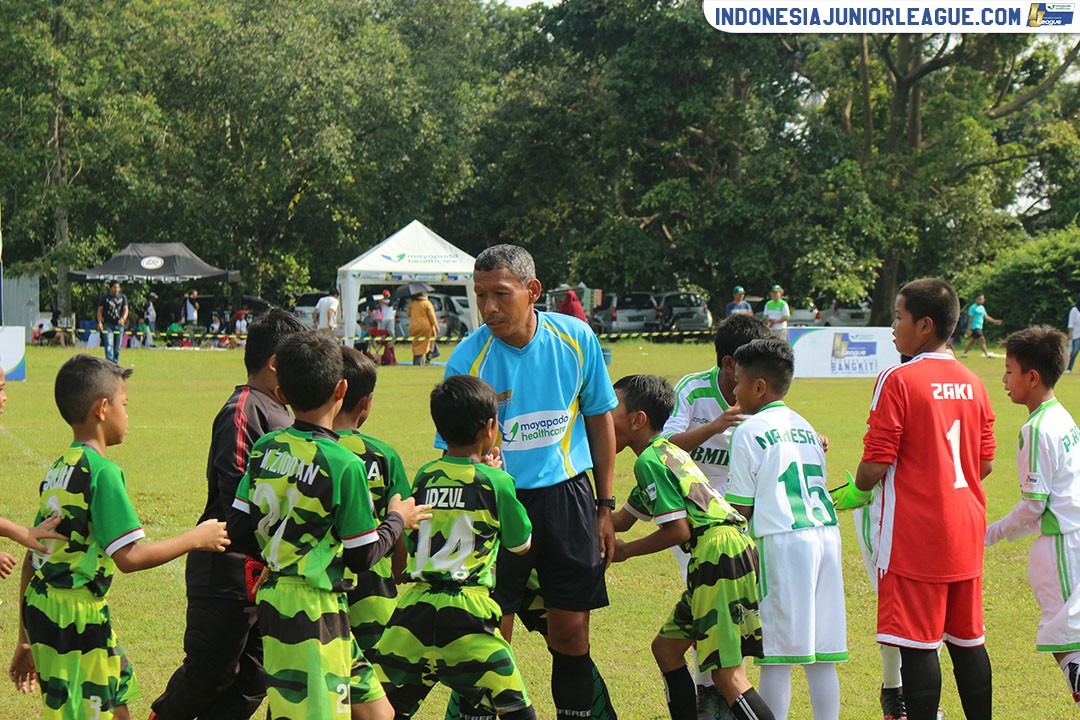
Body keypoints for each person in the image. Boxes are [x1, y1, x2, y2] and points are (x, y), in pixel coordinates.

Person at [440, 244, 619, 719]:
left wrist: (605, 506)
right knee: (489, 636)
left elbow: (600, 419)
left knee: (572, 637)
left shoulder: (576, 338)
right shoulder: (467, 358)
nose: (489, 308)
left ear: (532, 290)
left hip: (567, 500)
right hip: (495, 505)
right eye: (480, 295)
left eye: (501, 294)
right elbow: (452, 451)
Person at [9, 354, 230, 719]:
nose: (128, 415)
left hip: (47, 607)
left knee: (115, 702)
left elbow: (34, 558)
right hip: (74, 616)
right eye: (124, 405)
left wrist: (24, 638)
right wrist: (196, 538)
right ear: (102, 408)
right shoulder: (103, 472)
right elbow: (129, 557)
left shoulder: (60, 468)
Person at [227, 331, 428, 720]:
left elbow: (238, 524)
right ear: (341, 389)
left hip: (298, 603)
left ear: (281, 393)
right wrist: (397, 519)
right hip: (310, 609)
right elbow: (362, 555)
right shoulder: (343, 464)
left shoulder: (266, 447)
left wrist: (277, 555)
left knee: (380, 714)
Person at [847, 278, 996, 720]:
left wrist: (855, 493)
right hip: (966, 529)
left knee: (917, 645)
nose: (893, 327)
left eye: (899, 317)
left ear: (925, 325)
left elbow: (876, 463)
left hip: (916, 535)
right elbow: (985, 463)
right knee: (968, 642)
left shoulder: (898, 378)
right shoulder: (974, 382)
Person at [150, 309, 309, 720]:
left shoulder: (289, 415)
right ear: (275, 364)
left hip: (269, 571)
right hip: (226, 568)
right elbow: (237, 491)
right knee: (209, 674)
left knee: (252, 681)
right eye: (299, 362)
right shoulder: (243, 409)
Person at [371, 375, 537, 719]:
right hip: (468, 615)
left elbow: (415, 537)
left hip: (414, 613)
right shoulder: (498, 481)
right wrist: (494, 479)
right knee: (516, 711)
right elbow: (521, 545)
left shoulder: (426, 475)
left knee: (380, 711)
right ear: (490, 428)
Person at [609, 374, 774, 720]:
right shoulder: (665, 453)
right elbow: (621, 520)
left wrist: (626, 551)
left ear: (638, 420)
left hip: (718, 554)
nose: (603, 417)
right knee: (667, 650)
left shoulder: (648, 462)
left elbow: (678, 531)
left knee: (727, 676)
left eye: (611, 410)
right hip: (727, 550)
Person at [725, 336, 845, 720]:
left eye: (739, 382)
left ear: (759, 387)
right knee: (821, 655)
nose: (734, 391)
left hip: (783, 543)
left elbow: (741, 509)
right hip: (826, 537)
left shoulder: (748, 431)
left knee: (776, 655)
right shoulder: (806, 427)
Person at [663, 313, 771, 716]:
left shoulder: (760, 393)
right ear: (729, 364)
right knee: (708, 599)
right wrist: (714, 426)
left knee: (725, 602)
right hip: (695, 518)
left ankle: (716, 688)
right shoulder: (693, 390)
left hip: (742, 518)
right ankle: (711, 689)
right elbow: (664, 447)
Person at [986, 326, 1080, 707]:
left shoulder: (1036, 428)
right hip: (1071, 538)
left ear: (1032, 377)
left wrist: (989, 533)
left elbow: (1034, 505)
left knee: (1067, 641)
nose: (1004, 380)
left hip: (1062, 546)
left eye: (1009, 371)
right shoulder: (1062, 416)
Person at [334, 347, 411, 656]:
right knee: (374, 672)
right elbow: (400, 516)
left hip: (315, 587)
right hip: (372, 587)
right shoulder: (383, 455)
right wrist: (399, 564)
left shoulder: (306, 449)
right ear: (366, 402)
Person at [961, 293, 1003, 358]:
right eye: (979, 299)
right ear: (976, 299)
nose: (981, 300)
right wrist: (968, 328)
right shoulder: (972, 307)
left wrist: (994, 321)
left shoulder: (982, 308)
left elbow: (986, 316)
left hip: (980, 326)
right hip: (975, 327)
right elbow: (970, 318)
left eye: (982, 299)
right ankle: (986, 355)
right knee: (982, 339)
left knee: (972, 341)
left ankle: (964, 354)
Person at [97, 281, 129, 364]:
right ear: (110, 288)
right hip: (108, 325)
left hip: (119, 325)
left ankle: (115, 364)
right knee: (109, 345)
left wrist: (123, 319)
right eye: (114, 287)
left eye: (118, 287)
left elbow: (126, 309)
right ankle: (109, 364)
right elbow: (100, 310)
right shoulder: (104, 298)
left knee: (117, 348)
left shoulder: (123, 297)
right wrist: (99, 322)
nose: (116, 289)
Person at [408, 291, 438, 366]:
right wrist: (436, 325)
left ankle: (419, 360)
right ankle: (423, 360)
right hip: (425, 326)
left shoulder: (412, 303)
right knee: (424, 344)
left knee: (416, 343)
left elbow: (408, 314)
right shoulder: (427, 303)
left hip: (413, 326)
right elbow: (432, 316)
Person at [1068, 294, 1080, 373]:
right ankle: (1069, 367)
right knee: (1074, 351)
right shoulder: (1074, 310)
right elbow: (1071, 323)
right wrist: (1070, 333)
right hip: (1076, 334)